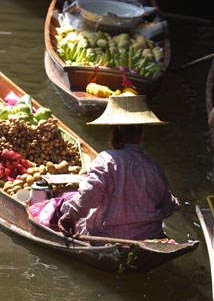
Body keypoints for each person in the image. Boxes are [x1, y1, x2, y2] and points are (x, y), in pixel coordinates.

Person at [29, 94, 179, 241]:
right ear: (141, 134)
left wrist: (70, 216)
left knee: (63, 200)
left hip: (107, 237)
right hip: (149, 236)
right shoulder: (153, 167)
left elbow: (88, 197)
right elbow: (166, 205)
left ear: (114, 132)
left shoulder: (106, 161)